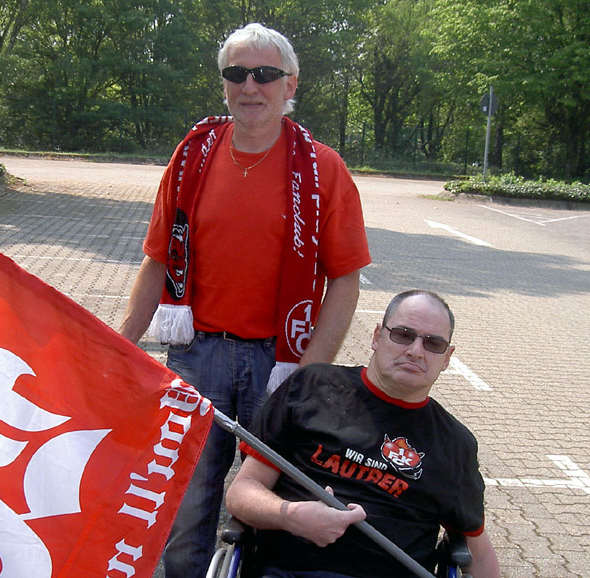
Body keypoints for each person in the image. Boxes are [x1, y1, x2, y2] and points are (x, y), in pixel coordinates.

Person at [117, 22, 370, 578]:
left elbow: (345, 280)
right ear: (224, 83)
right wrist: (116, 347)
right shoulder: (190, 160)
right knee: (183, 508)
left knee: (268, 510)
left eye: (264, 74)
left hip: (277, 365)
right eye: (237, 74)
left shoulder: (323, 170)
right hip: (195, 358)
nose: (249, 86)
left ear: (289, 84)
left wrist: (309, 374)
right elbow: (158, 261)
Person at [225, 290, 501, 578]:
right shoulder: (310, 387)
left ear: (447, 358)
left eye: (433, 343)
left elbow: (478, 552)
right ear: (376, 336)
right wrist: (291, 516)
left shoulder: (455, 443)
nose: (416, 351)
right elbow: (241, 493)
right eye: (403, 334)